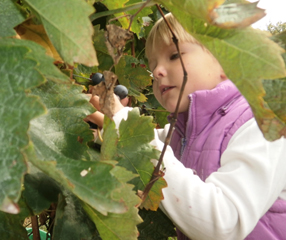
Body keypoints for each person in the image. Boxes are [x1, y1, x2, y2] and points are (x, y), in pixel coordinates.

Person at [87, 13, 286, 240]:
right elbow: (148, 141)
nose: (158, 72)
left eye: (173, 55)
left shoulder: (263, 125)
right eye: (153, 68)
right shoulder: (184, 130)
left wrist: (123, 119)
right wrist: (97, 126)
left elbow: (223, 223)